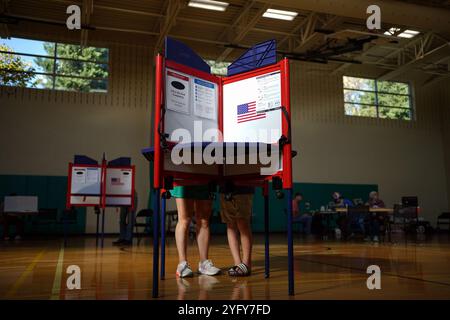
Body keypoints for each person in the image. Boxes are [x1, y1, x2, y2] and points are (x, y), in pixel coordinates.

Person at [172, 185, 221, 278]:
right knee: (184, 219)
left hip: (204, 176)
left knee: (204, 220)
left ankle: (204, 263)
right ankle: (182, 263)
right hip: (184, 178)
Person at [221, 186, 253, 277]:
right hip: (225, 186)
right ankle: (237, 262)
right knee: (230, 224)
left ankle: (246, 263)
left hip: (244, 184)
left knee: (243, 223)